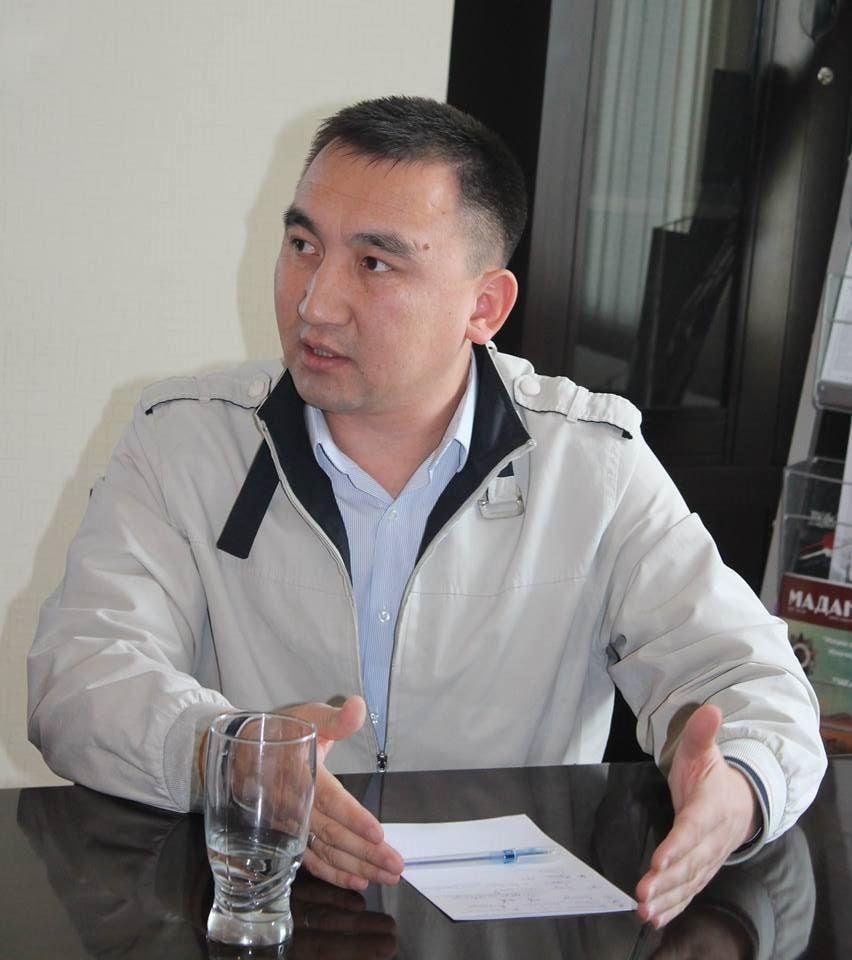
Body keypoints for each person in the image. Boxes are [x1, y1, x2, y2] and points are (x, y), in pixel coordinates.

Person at [28, 96, 826, 929]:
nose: (315, 303)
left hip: (507, 935)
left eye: (375, 264)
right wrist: (225, 755)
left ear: (484, 306)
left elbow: (749, 677)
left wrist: (739, 785)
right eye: (303, 246)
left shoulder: (590, 462)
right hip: (254, 911)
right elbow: (78, 676)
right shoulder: (184, 442)